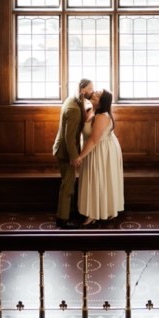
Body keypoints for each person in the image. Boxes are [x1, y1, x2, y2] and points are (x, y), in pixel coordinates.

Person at [74, 89, 125, 226]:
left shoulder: (102, 116)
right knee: (96, 179)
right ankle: (93, 210)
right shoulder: (92, 109)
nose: (94, 94)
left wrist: (80, 157)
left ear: (101, 103)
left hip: (102, 150)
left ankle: (95, 213)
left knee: (99, 178)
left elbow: (93, 140)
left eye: (97, 95)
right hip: (96, 148)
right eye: (95, 92)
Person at [52, 78, 91, 228]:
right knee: (67, 185)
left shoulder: (74, 100)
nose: (92, 91)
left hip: (66, 149)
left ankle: (69, 211)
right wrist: (74, 157)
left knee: (70, 183)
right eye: (90, 88)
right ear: (83, 90)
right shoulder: (74, 109)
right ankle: (62, 219)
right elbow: (69, 137)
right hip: (65, 152)